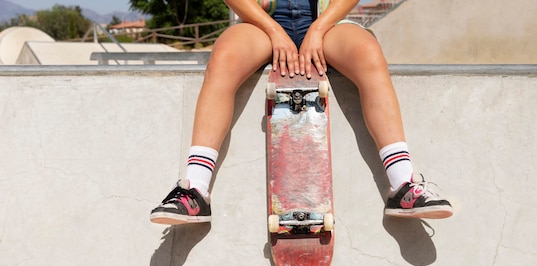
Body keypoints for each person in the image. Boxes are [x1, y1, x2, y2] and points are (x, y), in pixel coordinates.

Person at [150, 0, 453, 225]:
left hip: (326, 24)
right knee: (224, 56)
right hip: (262, 26)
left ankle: (403, 185)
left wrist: (318, 29)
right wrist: (275, 30)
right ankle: (195, 191)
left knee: (368, 53)